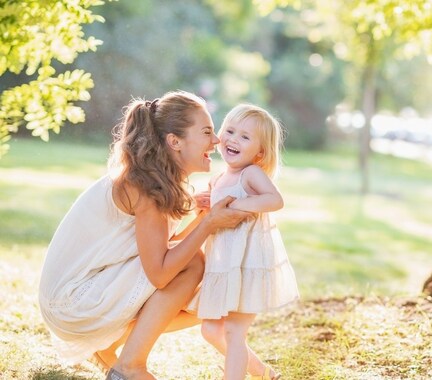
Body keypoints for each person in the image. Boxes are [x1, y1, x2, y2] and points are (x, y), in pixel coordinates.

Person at [38, 90, 254, 380]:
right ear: (174, 141)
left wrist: (203, 217)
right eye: (206, 132)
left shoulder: (158, 178)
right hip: (72, 301)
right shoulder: (146, 186)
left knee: (207, 294)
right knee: (193, 264)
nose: (216, 141)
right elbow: (161, 274)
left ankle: (108, 348)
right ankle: (130, 367)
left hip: (81, 292)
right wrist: (208, 224)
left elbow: (165, 252)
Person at [188, 104, 299, 380]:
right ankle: (265, 374)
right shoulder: (218, 178)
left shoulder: (251, 174)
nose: (233, 139)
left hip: (247, 266)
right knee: (211, 330)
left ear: (259, 152)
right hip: (224, 265)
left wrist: (240, 203)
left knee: (233, 332)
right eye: (230, 131)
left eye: (245, 137)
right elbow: (214, 215)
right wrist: (201, 204)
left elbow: (275, 200)